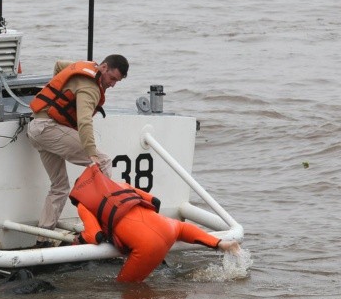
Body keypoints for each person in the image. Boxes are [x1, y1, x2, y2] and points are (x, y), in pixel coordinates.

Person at [69, 164, 241, 282]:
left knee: (124, 287)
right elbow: (155, 201)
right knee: (180, 227)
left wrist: (79, 240)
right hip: (166, 226)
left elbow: (95, 236)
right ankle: (221, 243)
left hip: (146, 245)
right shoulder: (120, 185)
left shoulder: (84, 204)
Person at [27, 54, 129, 246]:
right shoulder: (90, 88)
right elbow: (84, 122)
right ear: (104, 68)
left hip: (36, 128)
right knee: (104, 161)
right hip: (48, 129)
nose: (113, 85)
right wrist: (91, 154)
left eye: (118, 82)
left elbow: (59, 66)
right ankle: (104, 225)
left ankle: (42, 240)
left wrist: (56, 99)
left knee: (59, 186)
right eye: (112, 78)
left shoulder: (85, 67)